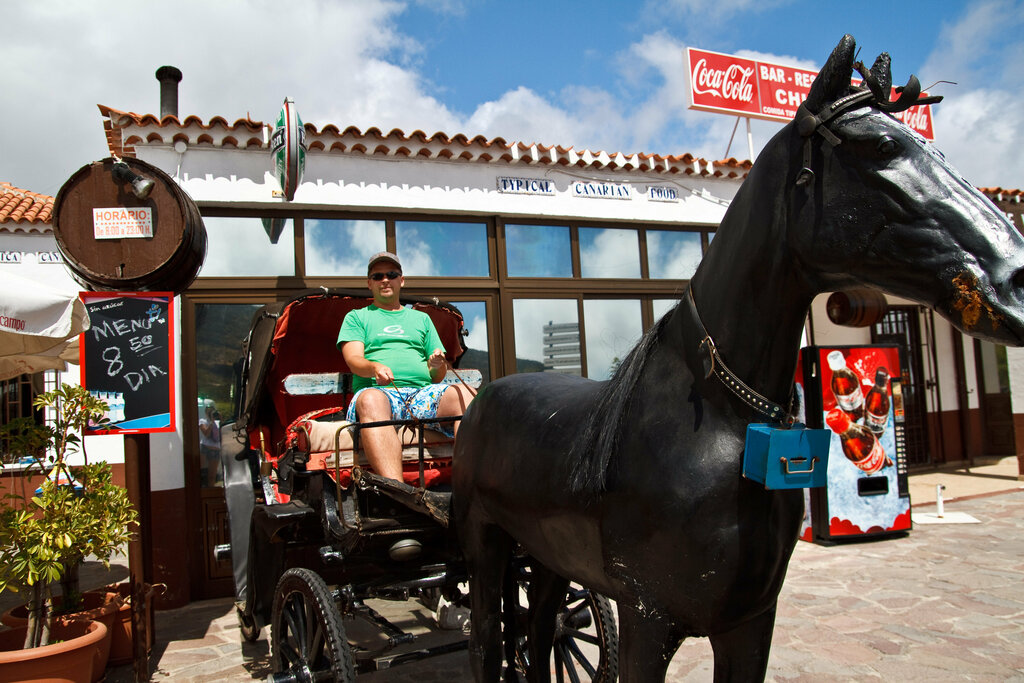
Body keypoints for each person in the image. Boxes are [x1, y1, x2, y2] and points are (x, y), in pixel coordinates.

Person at [337, 252, 474, 480]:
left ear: (401, 281)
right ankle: (397, 491)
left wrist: (436, 364)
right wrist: (374, 367)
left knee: (465, 395)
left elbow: (437, 376)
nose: (385, 280)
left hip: (422, 394)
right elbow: (353, 360)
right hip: (379, 394)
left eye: (391, 274)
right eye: (378, 276)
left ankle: (467, 485)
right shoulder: (356, 318)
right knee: (370, 400)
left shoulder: (422, 319)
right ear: (369, 283)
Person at [198, 404, 221, 486]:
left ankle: (211, 490)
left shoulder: (218, 422)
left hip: (216, 449)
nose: (210, 413)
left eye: (212, 411)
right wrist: (211, 423)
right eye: (208, 411)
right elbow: (206, 434)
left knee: (212, 475)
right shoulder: (202, 421)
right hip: (205, 448)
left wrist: (220, 419)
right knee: (201, 472)